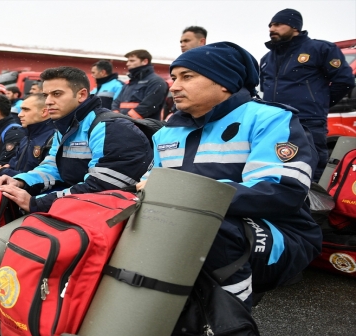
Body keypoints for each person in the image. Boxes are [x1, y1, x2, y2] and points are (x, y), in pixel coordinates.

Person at [137, 41, 321, 310]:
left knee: (206, 228)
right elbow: (151, 186)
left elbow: (282, 192)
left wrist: (184, 192)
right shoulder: (166, 133)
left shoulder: (269, 118)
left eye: (187, 77)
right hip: (191, 222)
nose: (174, 86)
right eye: (174, 77)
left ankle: (230, 328)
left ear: (224, 82)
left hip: (280, 231)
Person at [0, 66, 153, 213]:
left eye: (57, 94)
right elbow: (53, 167)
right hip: (87, 212)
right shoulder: (65, 127)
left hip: (118, 219)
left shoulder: (111, 128)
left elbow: (100, 189)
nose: (48, 102)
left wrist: (36, 203)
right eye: (46, 95)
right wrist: (20, 181)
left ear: (81, 94)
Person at [260, 8, 354, 182]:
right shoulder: (267, 59)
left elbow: (345, 81)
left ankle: (312, 206)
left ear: (295, 27)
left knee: (311, 166)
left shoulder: (320, 49)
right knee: (273, 166)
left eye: (278, 24)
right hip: (274, 122)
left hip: (307, 120)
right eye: (270, 25)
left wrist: (319, 103)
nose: (272, 29)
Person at [0, 94, 55, 177]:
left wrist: (2, 171)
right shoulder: (27, 137)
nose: (20, 114)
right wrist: (1, 168)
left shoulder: (53, 138)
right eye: (21, 110)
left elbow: (42, 177)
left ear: (44, 112)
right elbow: (15, 165)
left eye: (26, 110)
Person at [112, 49, 168, 120]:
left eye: (132, 61)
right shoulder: (129, 83)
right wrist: (116, 117)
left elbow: (149, 106)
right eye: (128, 61)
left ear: (145, 61)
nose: (127, 64)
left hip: (144, 127)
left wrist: (126, 120)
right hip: (123, 124)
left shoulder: (157, 82)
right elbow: (116, 102)